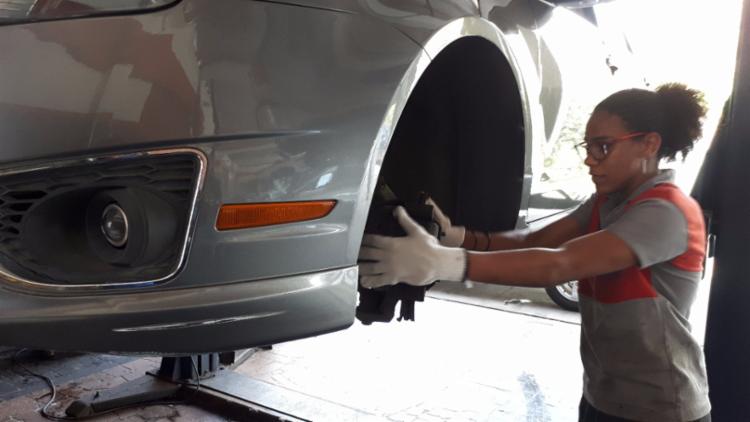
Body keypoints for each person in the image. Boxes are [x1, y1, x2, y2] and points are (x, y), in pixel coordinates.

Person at [358, 83, 711, 422]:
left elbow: (561, 263)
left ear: (649, 144)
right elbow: (534, 241)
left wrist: (442, 263)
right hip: (603, 399)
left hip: (663, 409)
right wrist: (457, 236)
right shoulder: (606, 203)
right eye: (586, 147)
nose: (589, 160)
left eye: (603, 147)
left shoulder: (667, 211)